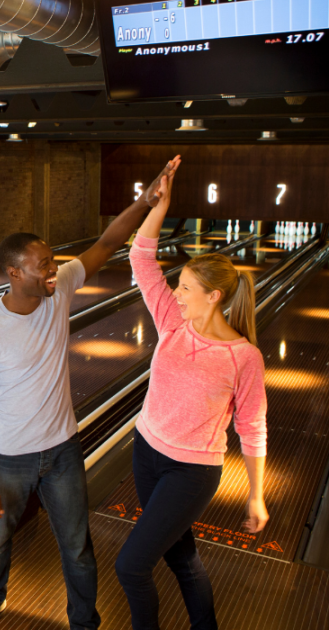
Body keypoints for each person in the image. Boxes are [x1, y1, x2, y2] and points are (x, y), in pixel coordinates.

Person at [0, 160, 179, 630]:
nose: (54, 271)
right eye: (43, 267)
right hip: (9, 457)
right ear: (15, 274)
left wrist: (143, 202)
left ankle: (84, 622)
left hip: (62, 448)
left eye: (54, 262)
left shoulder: (58, 291)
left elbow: (105, 244)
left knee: (76, 545)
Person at [116, 159, 268, 629]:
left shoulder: (244, 357)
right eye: (177, 287)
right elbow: (141, 257)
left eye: (185, 288)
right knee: (181, 559)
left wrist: (256, 496)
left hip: (192, 471)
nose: (175, 294)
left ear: (214, 296)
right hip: (146, 451)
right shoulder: (171, 323)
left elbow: (252, 427)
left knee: (131, 565)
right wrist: (160, 204)